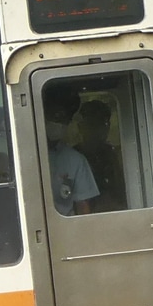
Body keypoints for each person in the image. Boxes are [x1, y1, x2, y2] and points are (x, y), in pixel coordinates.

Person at [41, 85, 99, 215]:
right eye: (55, 116)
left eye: (65, 119)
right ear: (43, 114)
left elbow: (83, 207)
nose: (60, 123)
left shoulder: (75, 160)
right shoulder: (19, 158)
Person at [75, 100, 125, 211]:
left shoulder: (114, 154)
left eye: (103, 124)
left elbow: (122, 191)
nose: (99, 130)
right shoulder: (73, 158)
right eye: (92, 124)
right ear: (81, 126)